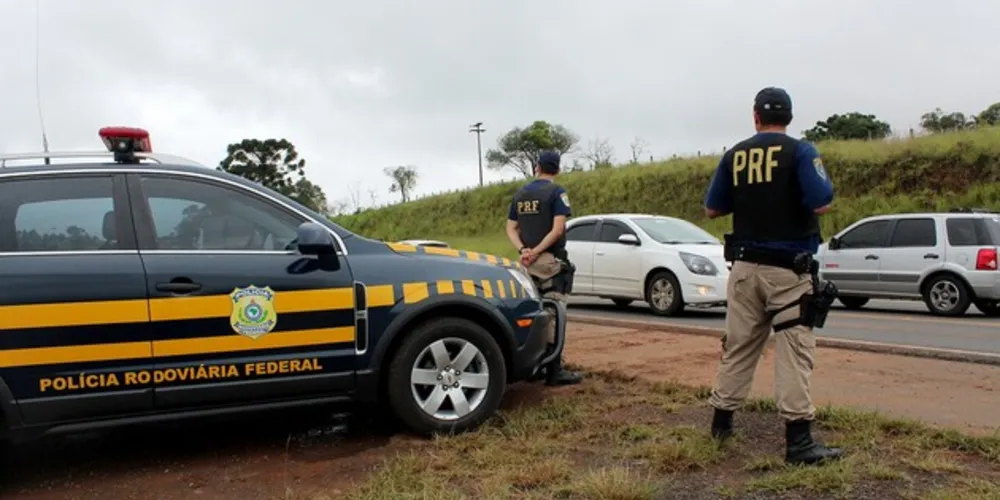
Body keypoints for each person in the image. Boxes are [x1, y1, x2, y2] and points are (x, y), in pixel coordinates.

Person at [703, 87, 844, 466]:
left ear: (755, 116)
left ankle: (721, 423)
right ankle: (798, 442)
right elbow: (823, 201)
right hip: (788, 271)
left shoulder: (734, 154)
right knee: (794, 350)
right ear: (790, 117)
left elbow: (713, 209)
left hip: (745, 269)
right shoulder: (802, 151)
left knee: (739, 346)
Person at [505, 150, 583, 386]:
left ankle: (534, 365)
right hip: (549, 262)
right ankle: (554, 369)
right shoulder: (557, 193)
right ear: (557, 170)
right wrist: (538, 250)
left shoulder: (520, 194)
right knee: (556, 314)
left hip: (527, 263)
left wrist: (524, 251)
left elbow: (510, 228)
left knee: (534, 312)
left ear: (537, 167)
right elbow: (558, 229)